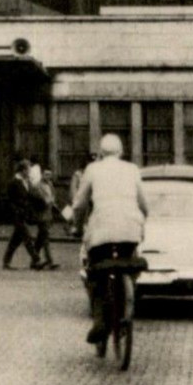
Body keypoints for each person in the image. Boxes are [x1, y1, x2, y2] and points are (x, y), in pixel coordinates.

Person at [71, 133, 149, 344]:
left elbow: (79, 205)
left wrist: (77, 227)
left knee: (95, 273)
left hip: (101, 232)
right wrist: (142, 223)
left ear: (100, 153)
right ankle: (128, 298)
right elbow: (144, 204)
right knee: (129, 264)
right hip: (130, 231)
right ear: (121, 151)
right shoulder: (132, 169)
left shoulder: (92, 170)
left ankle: (99, 321)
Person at [3, 160, 39, 269]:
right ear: (23, 170)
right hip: (17, 214)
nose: (29, 172)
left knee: (16, 240)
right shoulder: (13, 182)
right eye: (28, 170)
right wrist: (15, 210)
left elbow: (30, 196)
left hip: (24, 214)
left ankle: (6, 262)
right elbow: (7, 199)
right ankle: (36, 259)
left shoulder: (26, 181)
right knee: (27, 236)